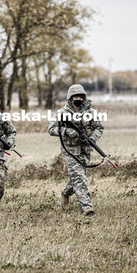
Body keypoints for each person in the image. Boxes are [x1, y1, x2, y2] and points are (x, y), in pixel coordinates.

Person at [47, 84, 103, 217]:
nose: (78, 99)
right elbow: (51, 129)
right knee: (79, 177)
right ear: (70, 98)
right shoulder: (62, 113)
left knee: (78, 176)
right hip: (70, 150)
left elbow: (99, 128)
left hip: (85, 150)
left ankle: (65, 193)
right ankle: (86, 208)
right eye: (75, 96)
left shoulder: (91, 113)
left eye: (80, 96)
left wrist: (92, 139)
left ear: (84, 97)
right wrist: (66, 131)